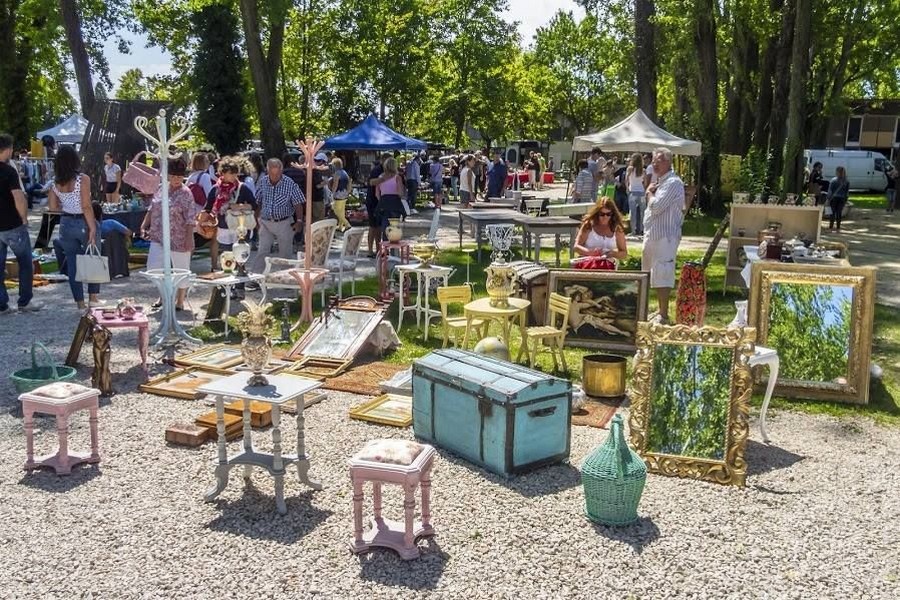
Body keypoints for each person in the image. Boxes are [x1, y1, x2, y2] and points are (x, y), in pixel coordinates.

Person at [140, 159, 200, 310]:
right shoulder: (161, 188)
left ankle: (180, 300)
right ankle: (163, 295)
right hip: (158, 234)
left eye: (179, 177)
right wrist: (144, 225)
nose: (176, 180)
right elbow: (152, 208)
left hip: (178, 235)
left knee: (181, 268)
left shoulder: (186, 193)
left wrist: (189, 238)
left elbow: (190, 218)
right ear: (168, 176)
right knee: (154, 266)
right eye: (173, 176)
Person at [48, 145, 99, 309]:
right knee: (93, 258)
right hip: (83, 221)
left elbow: (53, 208)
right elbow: (86, 205)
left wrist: (66, 206)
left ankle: (80, 303)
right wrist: (92, 227)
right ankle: (93, 297)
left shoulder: (54, 183)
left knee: (73, 264)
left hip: (66, 223)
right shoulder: (82, 179)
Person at [642, 147, 685, 324]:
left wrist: (649, 194)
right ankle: (646, 310)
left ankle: (663, 314)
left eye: (658, 160)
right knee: (647, 273)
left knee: (663, 273)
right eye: (653, 160)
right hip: (652, 234)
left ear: (668, 162)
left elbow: (658, 206)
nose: (654, 164)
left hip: (665, 237)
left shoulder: (673, 182)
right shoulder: (659, 182)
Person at [0, 133, 41, 314]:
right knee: (25, 262)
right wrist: (24, 218)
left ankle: (2, 304)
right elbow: (18, 196)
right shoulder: (9, 171)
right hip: (12, 223)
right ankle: (24, 301)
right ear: (7, 149)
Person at [203, 155, 258, 268]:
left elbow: (254, 205)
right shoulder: (216, 189)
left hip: (240, 227)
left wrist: (239, 206)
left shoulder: (242, 188)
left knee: (240, 259)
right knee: (227, 258)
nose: (234, 176)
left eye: (235, 173)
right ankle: (226, 283)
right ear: (222, 173)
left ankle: (239, 284)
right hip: (223, 227)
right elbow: (208, 207)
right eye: (231, 173)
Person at [252, 157, 304, 273]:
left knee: (285, 252)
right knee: (262, 251)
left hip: (284, 222)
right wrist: (255, 218)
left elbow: (298, 203)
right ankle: (256, 277)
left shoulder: (289, 183)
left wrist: (299, 221)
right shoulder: (263, 181)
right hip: (265, 221)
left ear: (281, 171)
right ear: (268, 171)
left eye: (277, 174)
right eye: (272, 174)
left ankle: (286, 278)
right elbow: (259, 201)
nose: (274, 177)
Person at [573, 197, 628, 266]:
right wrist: (590, 252)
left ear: (612, 214)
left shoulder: (617, 229)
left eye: (608, 214)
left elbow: (624, 253)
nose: (605, 217)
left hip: (608, 265)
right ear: (597, 213)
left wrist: (612, 253)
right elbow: (576, 247)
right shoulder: (589, 225)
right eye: (602, 214)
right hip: (588, 264)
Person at [365, 153, 390, 257]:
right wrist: (383, 179)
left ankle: (378, 249)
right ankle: (370, 250)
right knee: (373, 227)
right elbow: (371, 182)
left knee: (379, 227)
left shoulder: (388, 170)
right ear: (383, 160)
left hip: (382, 201)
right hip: (372, 201)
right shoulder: (377, 170)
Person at [375, 157, 406, 238]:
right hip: (395, 204)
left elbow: (377, 193)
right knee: (394, 227)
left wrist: (382, 200)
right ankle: (393, 248)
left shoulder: (380, 177)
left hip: (384, 203)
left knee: (385, 227)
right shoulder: (397, 177)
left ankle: (385, 247)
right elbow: (400, 193)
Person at [625, 153, 646, 237]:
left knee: (633, 213)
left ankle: (633, 231)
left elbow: (626, 180)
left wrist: (627, 188)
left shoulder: (630, 169)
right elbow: (645, 182)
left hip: (632, 191)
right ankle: (642, 230)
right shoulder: (643, 170)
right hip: (641, 192)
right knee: (642, 213)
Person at [330, 157, 352, 230]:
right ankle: (340, 226)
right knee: (342, 210)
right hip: (345, 193)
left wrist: (332, 193)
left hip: (338, 194)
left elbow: (335, 185)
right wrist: (348, 191)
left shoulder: (337, 173)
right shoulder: (344, 172)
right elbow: (349, 182)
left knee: (336, 210)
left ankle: (347, 224)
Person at [827, 165, 850, 231]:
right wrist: (846, 199)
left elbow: (830, 190)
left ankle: (831, 226)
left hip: (834, 198)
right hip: (842, 198)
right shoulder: (846, 181)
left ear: (837, 172)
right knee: (839, 212)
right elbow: (847, 192)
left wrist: (828, 198)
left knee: (832, 212)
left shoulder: (833, 180)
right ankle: (838, 227)